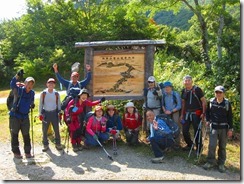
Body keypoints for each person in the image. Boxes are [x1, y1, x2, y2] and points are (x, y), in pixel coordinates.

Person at [203, 86, 233, 173]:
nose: (218, 94)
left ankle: (221, 164)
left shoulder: (227, 103)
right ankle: (210, 162)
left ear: (223, 93)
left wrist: (230, 129)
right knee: (212, 145)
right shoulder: (211, 102)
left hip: (224, 128)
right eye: (217, 92)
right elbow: (208, 112)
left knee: (222, 147)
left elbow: (230, 117)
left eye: (220, 92)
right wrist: (207, 120)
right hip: (214, 127)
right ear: (214, 93)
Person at [9, 74, 35, 159]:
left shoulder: (32, 93)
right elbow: (12, 84)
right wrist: (16, 76)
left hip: (25, 117)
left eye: (31, 84)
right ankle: (16, 152)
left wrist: (32, 105)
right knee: (15, 134)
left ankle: (27, 152)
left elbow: (31, 101)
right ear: (25, 83)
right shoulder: (19, 90)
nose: (29, 85)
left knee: (26, 134)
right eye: (28, 83)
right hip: (15, 116)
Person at [180, 75, 207, 153]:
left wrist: (203, 113)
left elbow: (203, 101)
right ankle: (190, 145)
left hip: (196, 113)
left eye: (188, 80)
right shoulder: (184, 91)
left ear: (192, 81)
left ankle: (199, 148)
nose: (187, 82)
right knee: (184, 130)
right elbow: (183, 103)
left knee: (197, 131)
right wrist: (182, 114)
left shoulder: (197, 90)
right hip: (187, 113)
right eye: (185, 81)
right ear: (183, 82)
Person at [38, 78, 63, 152]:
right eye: (49, 83)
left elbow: (58, 103)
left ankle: (58, 144)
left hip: (54, 113)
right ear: (47, 84)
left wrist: (60, 112)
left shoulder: (56, 93)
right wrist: (40, 114)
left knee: (56, 130)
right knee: (44, 130)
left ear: (54, 85)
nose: (51, 85)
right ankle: (45, 145)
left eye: (52, 83)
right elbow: (40, 104)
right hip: (45, 113)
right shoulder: (43, 93)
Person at [161, 81, 182, 148]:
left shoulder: (175, 94)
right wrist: (165, 111)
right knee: (167, 128)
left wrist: (171, 111)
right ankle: (169, 144)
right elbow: (162, 104)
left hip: (175, 112)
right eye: (165, 87)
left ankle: (177, 144)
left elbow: (179, 106)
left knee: (176, 127)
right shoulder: (164, 95)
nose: (166, 89)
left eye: (168, 87)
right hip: (166, 113)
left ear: (171, 87)